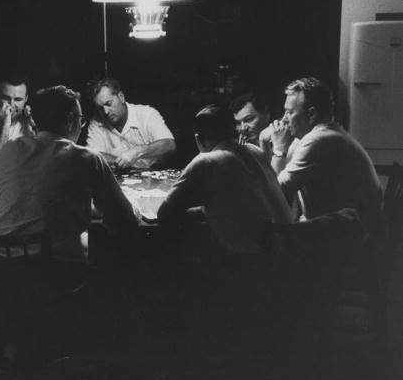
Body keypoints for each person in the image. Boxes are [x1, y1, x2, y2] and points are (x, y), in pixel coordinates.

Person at [0, 85, 139, 263]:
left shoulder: (10, 148)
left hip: (5, 271)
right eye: (81, 119)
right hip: (59, 274)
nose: (81, 124)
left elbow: (44, 200)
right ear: (71, 119)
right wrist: (136, 209)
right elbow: (125, 219)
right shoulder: (86, 157)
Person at [158, 103, 292, 255]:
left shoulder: (206, 161)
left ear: (199, 139)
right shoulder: (255, 151)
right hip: (287, 251)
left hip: (253, 263)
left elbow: (163, 214)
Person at [270, 77, 383, 235]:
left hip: (352, 240)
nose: (283, 119)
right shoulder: (318, 135)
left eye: (290, 112)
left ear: (311, 114)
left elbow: (275, 192)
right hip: (347, 230)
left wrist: (278, 149)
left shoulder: (319, 140)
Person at [86, 77, 176, 170]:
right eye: (100, 108)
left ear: (121, 97)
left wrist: (138, 151)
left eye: (109, 103)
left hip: (155, 177)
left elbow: (169, 145)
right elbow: (92, 155)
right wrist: (121, 161)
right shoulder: (96, 122)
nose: (106, 111)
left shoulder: (147, 114)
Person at [0, 74, 37, 162]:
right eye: (5, 98)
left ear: (26, 99)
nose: (12, 104)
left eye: (18, 99)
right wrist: (4, 125)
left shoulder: (29, 121)